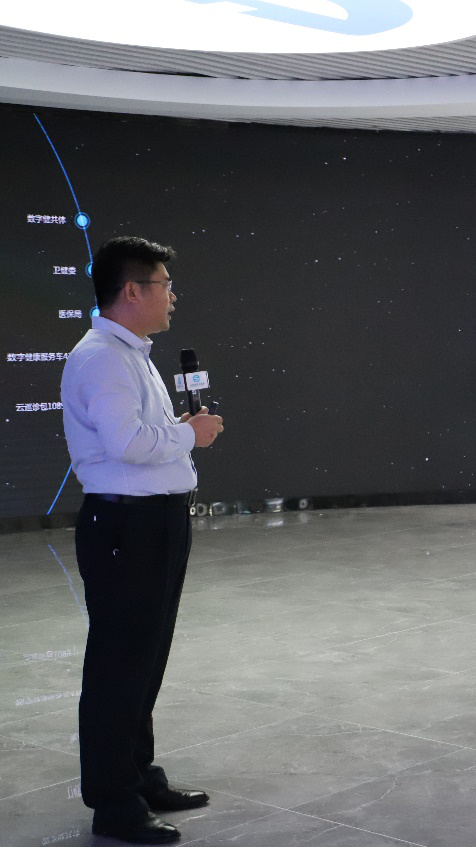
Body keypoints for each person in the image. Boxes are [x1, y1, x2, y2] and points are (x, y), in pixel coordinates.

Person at [61, 236, 224, 844]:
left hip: (150, 522)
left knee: (143, 658)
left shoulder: (130, 353)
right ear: (132, 290)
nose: (172, 296)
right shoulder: (104, 357)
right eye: (164, 284)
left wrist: (177, 429)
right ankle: (114, 803)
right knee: (119, 664)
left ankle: (138, 776)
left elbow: (135, 433)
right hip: (127, 527)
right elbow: (127, 444)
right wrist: (190, 436)